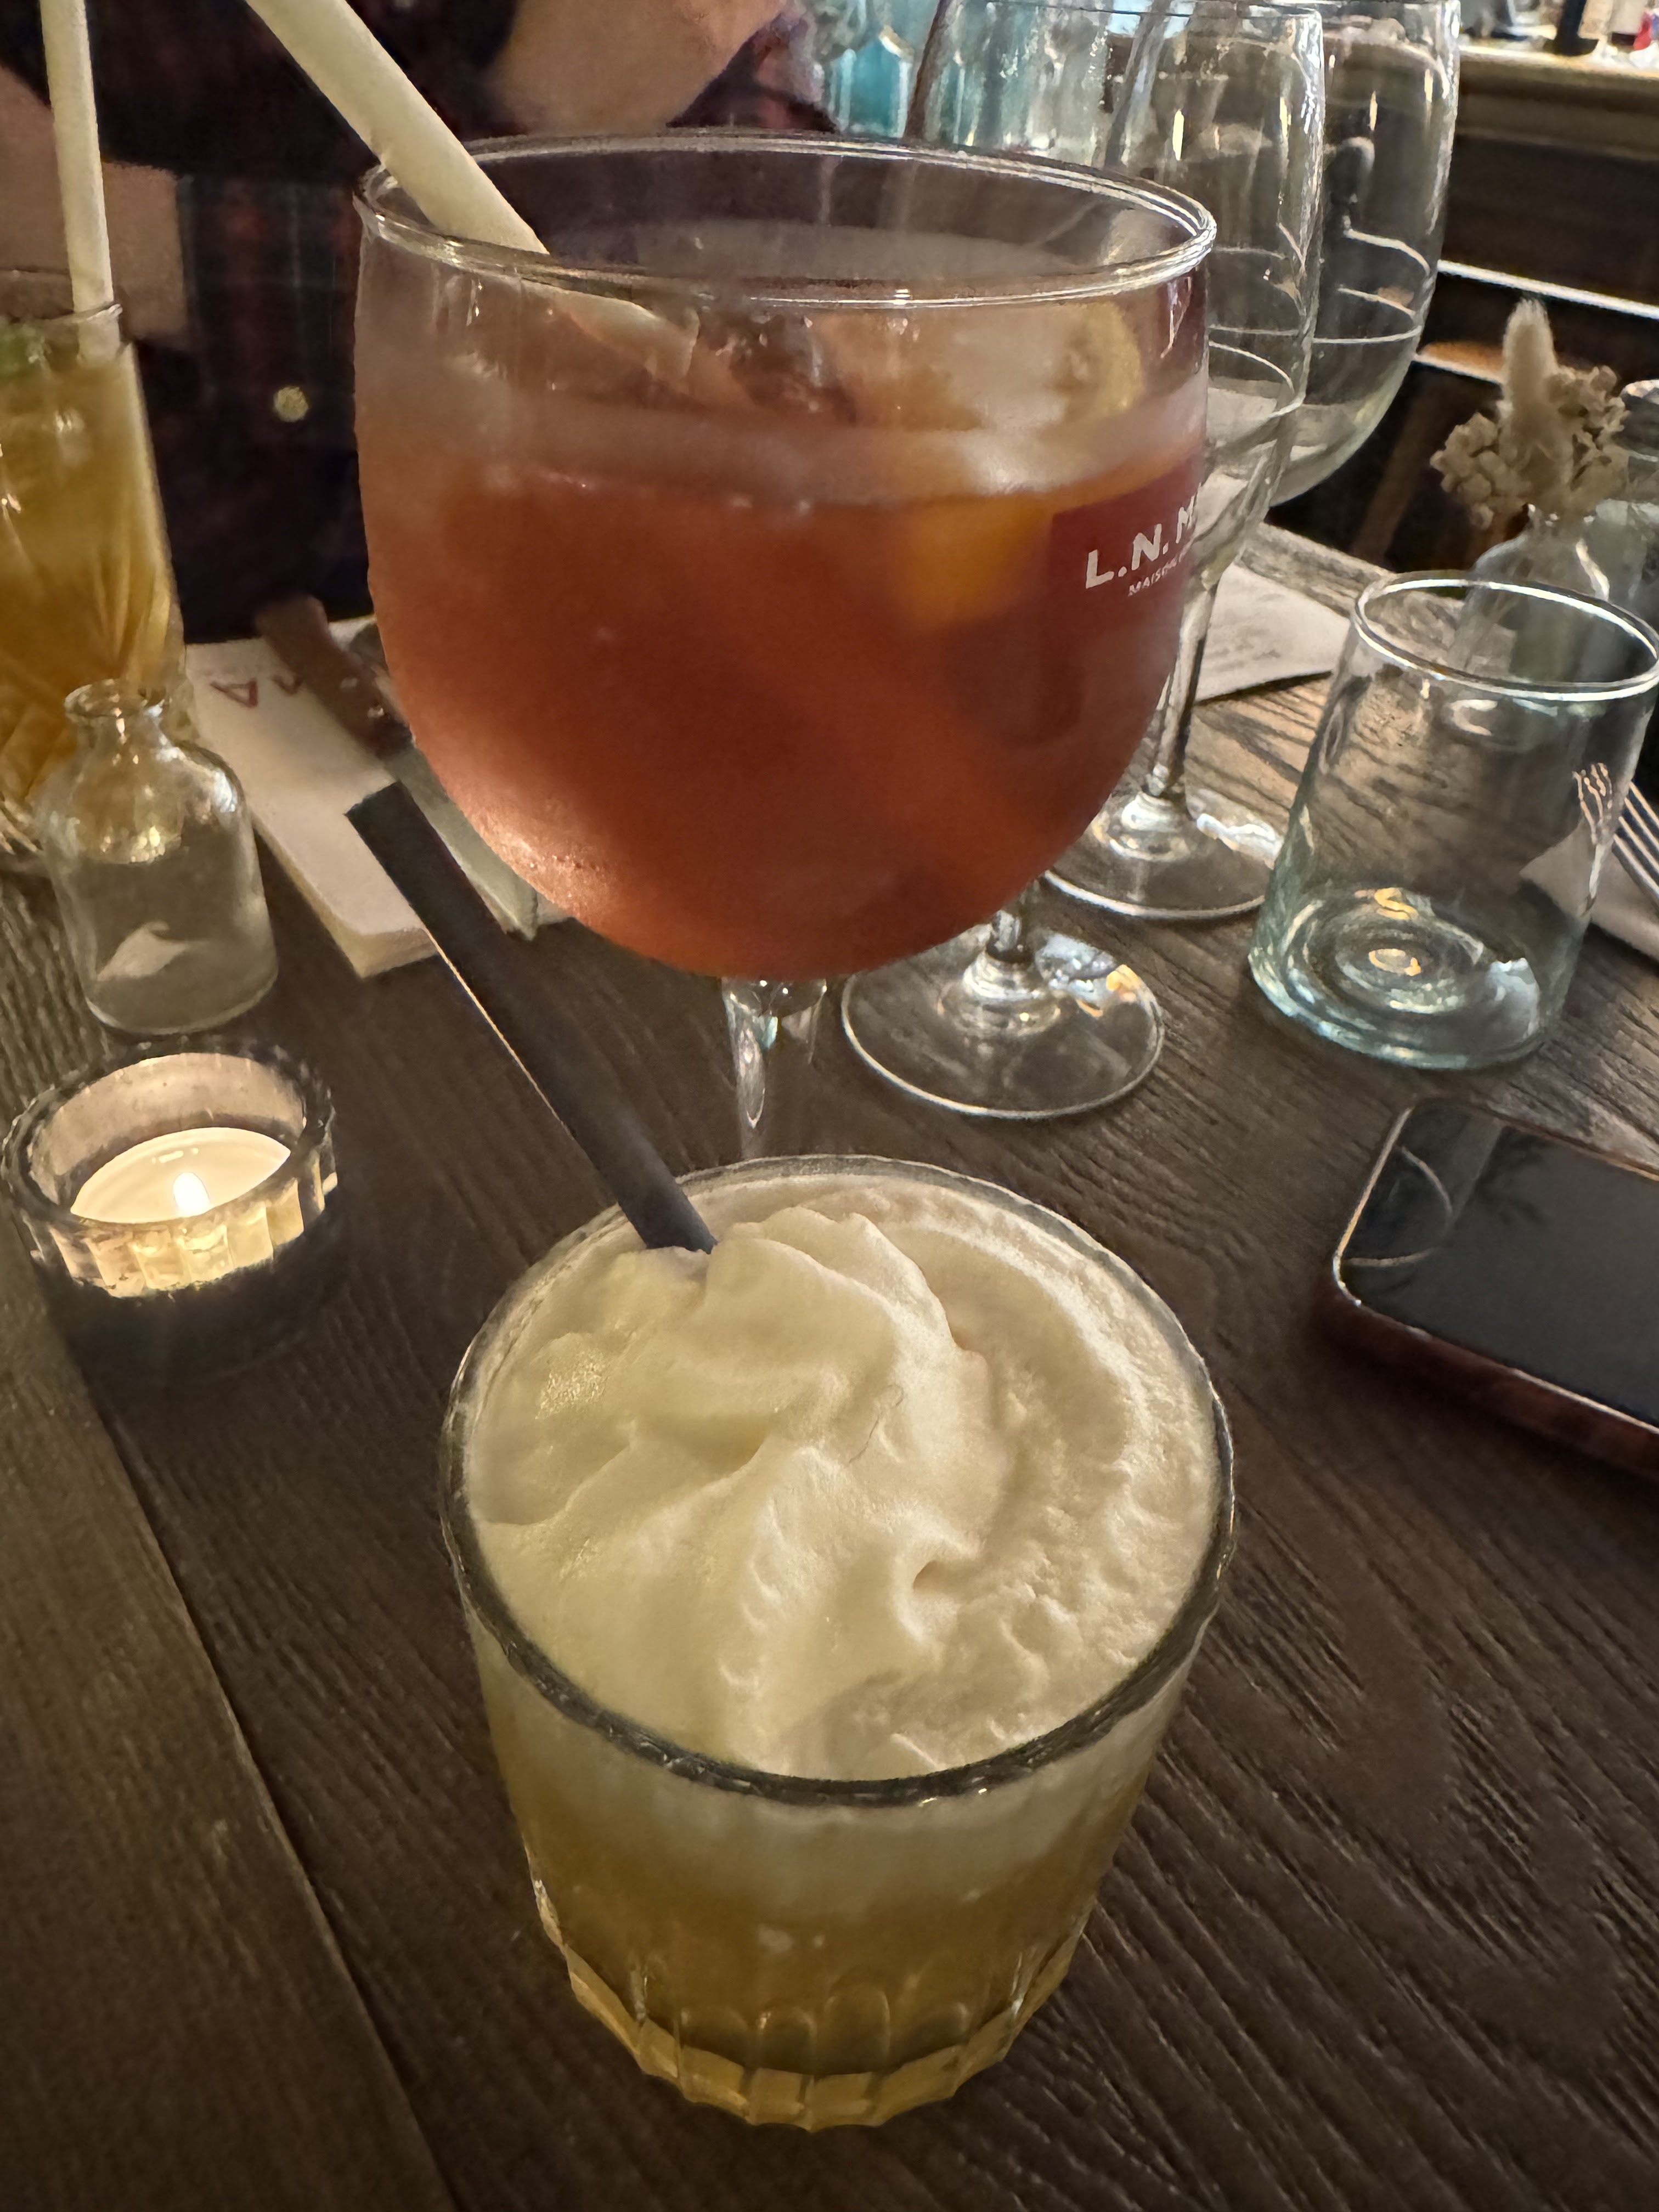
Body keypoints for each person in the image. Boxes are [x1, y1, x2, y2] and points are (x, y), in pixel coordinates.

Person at [0, 1, 825, 639]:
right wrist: (541, 118)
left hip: (629, 630)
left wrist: (162, 253)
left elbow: (766, 311)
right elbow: (93, 477)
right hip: (164, 699)